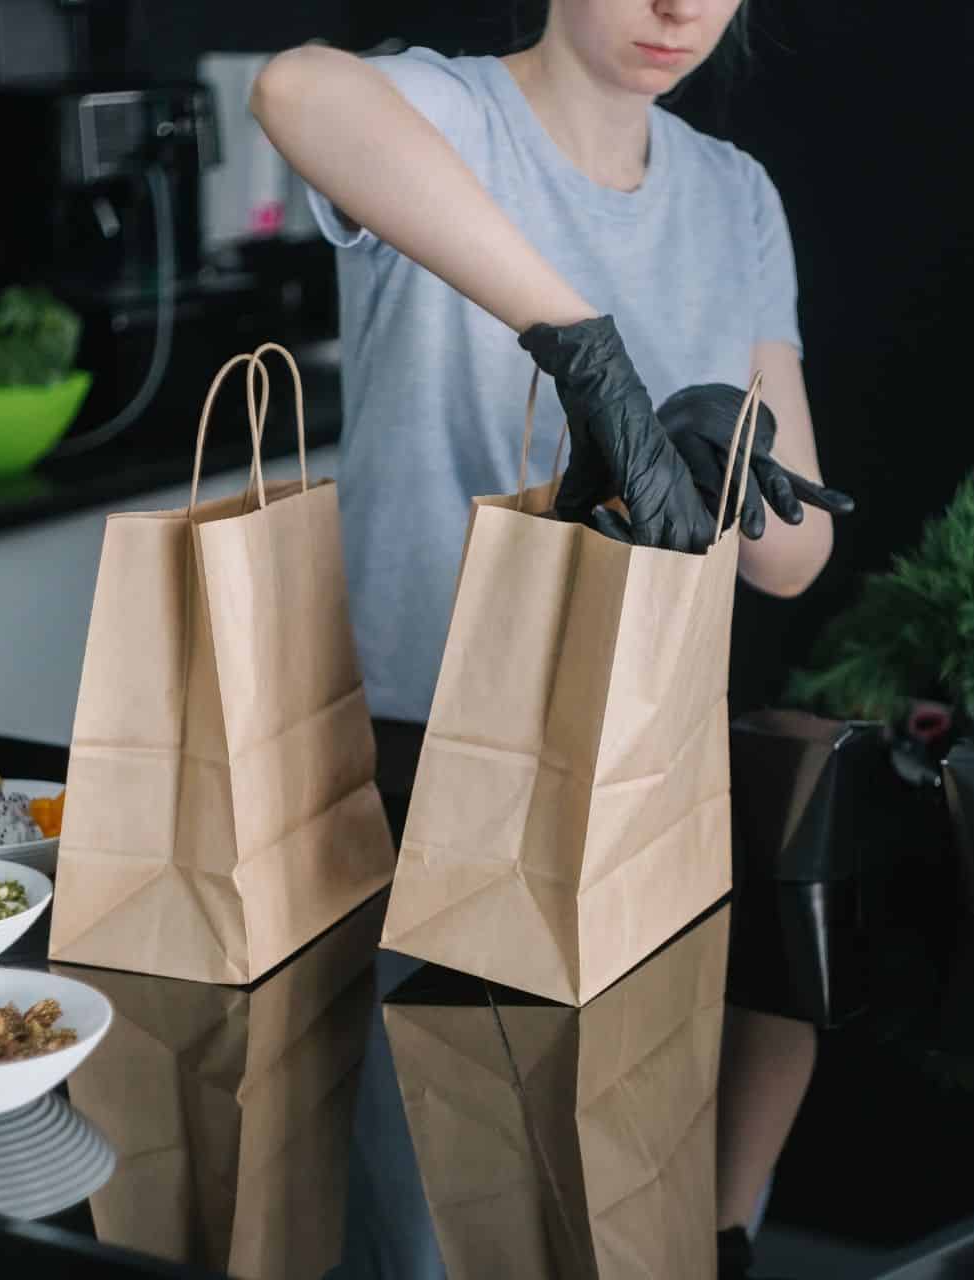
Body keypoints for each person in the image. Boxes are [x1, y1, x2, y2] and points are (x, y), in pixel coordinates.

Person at [252, 4, 842, 1275]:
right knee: (423, 1212)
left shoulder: (735, 193)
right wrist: (586, 352)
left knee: (599, 1196)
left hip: (633, 760)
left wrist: (721, 451)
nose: (679, 10)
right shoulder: (457, 116)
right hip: (412, 764)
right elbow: (296, 91)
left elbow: (797, 559)